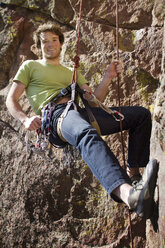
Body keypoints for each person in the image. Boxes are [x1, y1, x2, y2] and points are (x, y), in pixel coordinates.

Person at [6, 22, 158, 219]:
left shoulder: (72, 72)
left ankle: (134, 175)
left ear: (61, 44)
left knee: (140, 116)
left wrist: (108, 77)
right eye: (45, 42)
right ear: (39, 46)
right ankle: (130, 196)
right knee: (87, 134)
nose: (50, 45)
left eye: (54, 40)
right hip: (56, 117)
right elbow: (11, 99)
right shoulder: (30, 66)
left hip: (79, 112)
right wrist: (24, 119)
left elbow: (94, 101)